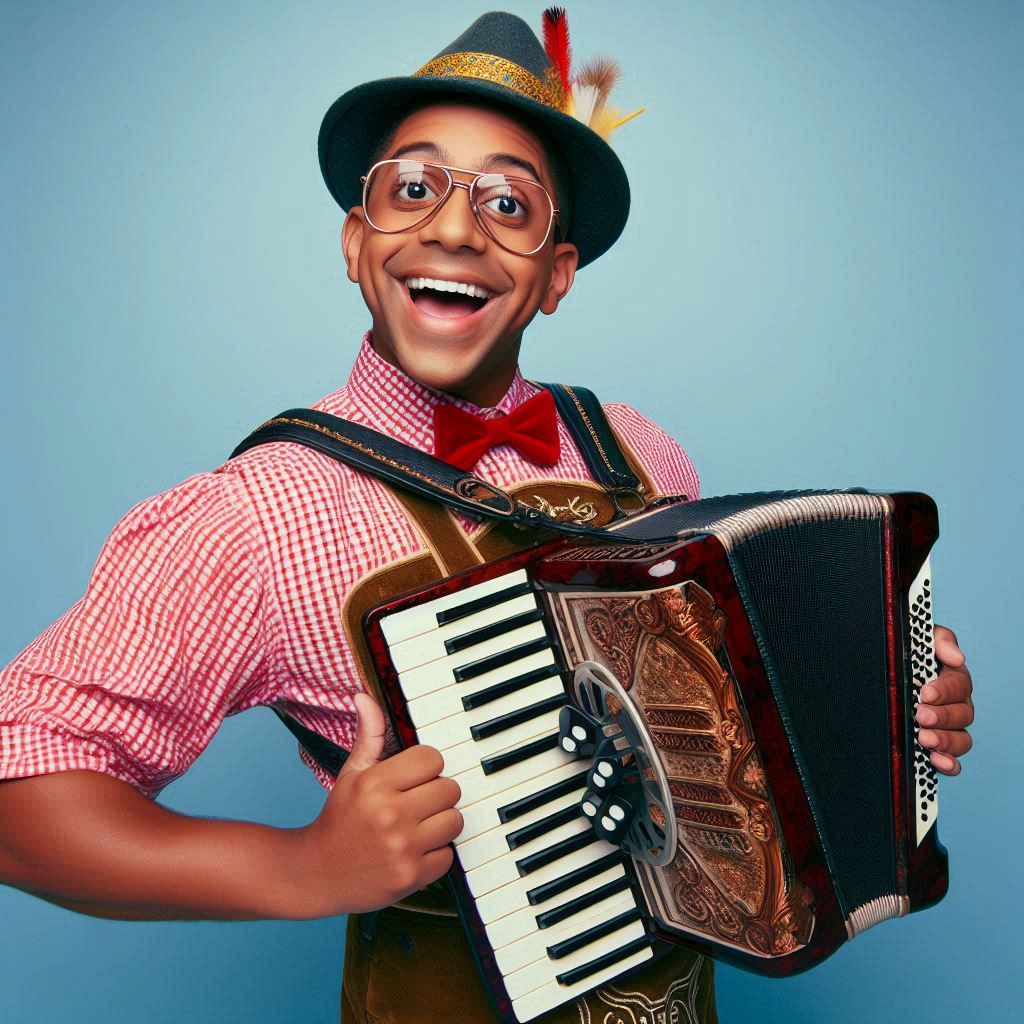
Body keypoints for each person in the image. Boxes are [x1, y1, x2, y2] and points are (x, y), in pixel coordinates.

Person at [0, 10, 975, 1024]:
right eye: (413, 189)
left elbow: (724, 717)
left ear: (556, 275)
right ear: (355, 242)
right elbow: (17, 795)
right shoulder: (263, 512)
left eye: (508, 203)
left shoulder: (642, 449)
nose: (456, 230)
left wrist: (888, 696)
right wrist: (301, 868)